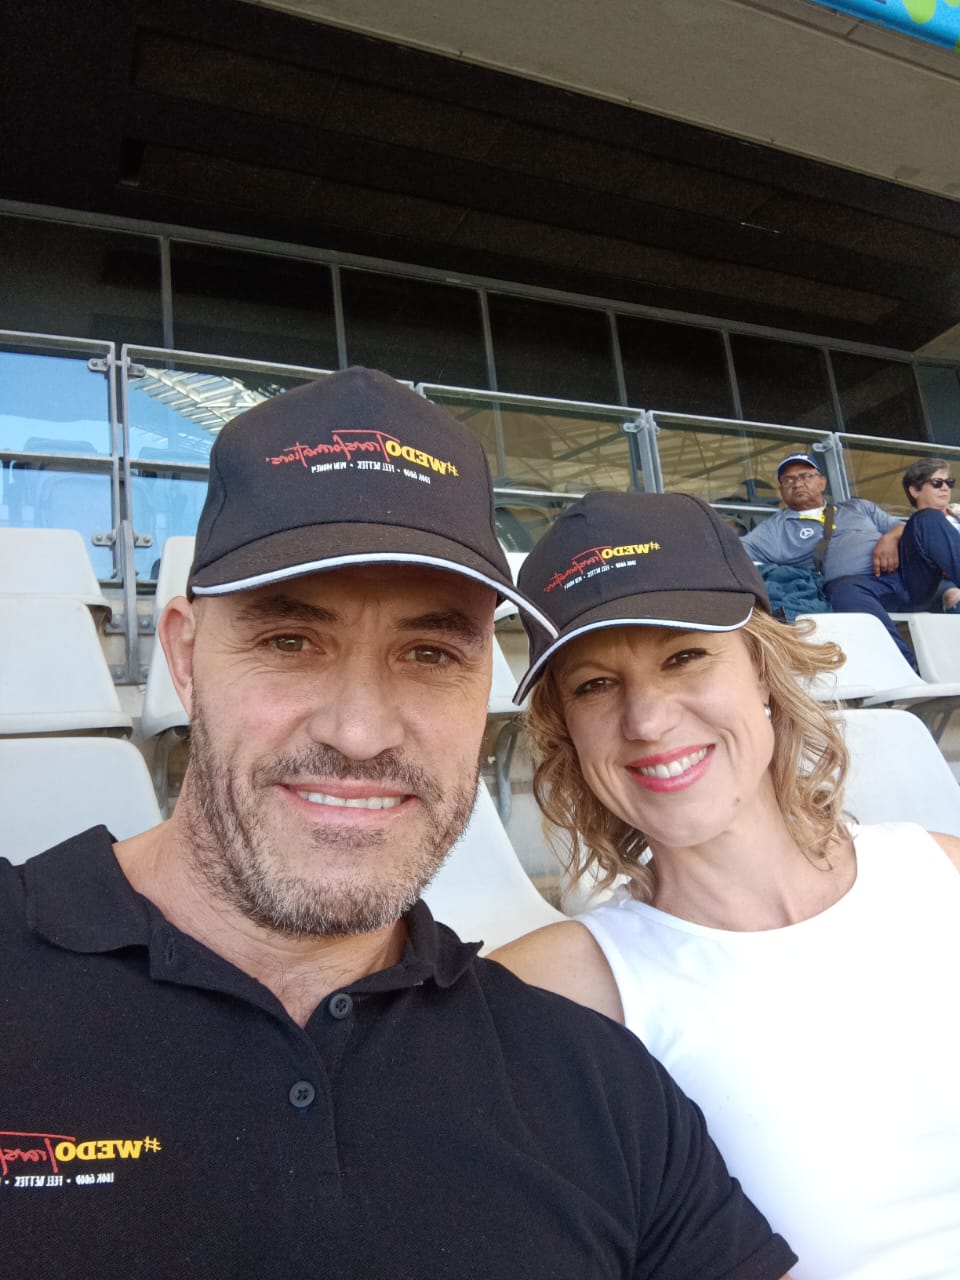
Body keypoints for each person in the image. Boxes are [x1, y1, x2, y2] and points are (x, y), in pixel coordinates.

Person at [0, 370, 796, 1279]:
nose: (361, 731)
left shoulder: (595, 1081)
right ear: (184, 657)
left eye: (429, 652)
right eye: (290, 642)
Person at [491, 490, 960, 1280]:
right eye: (594, 685)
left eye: (684, 656)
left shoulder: (941, 874)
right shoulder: (559, 992)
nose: (646, 720)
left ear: (763, 670)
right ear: (564, 728)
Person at [901, 456, 960, 613]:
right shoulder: (923, 522)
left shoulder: (955, 515)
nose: (945, 488)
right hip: (936, 589)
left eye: (949, 482)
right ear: (915, 490)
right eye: (937, 483)